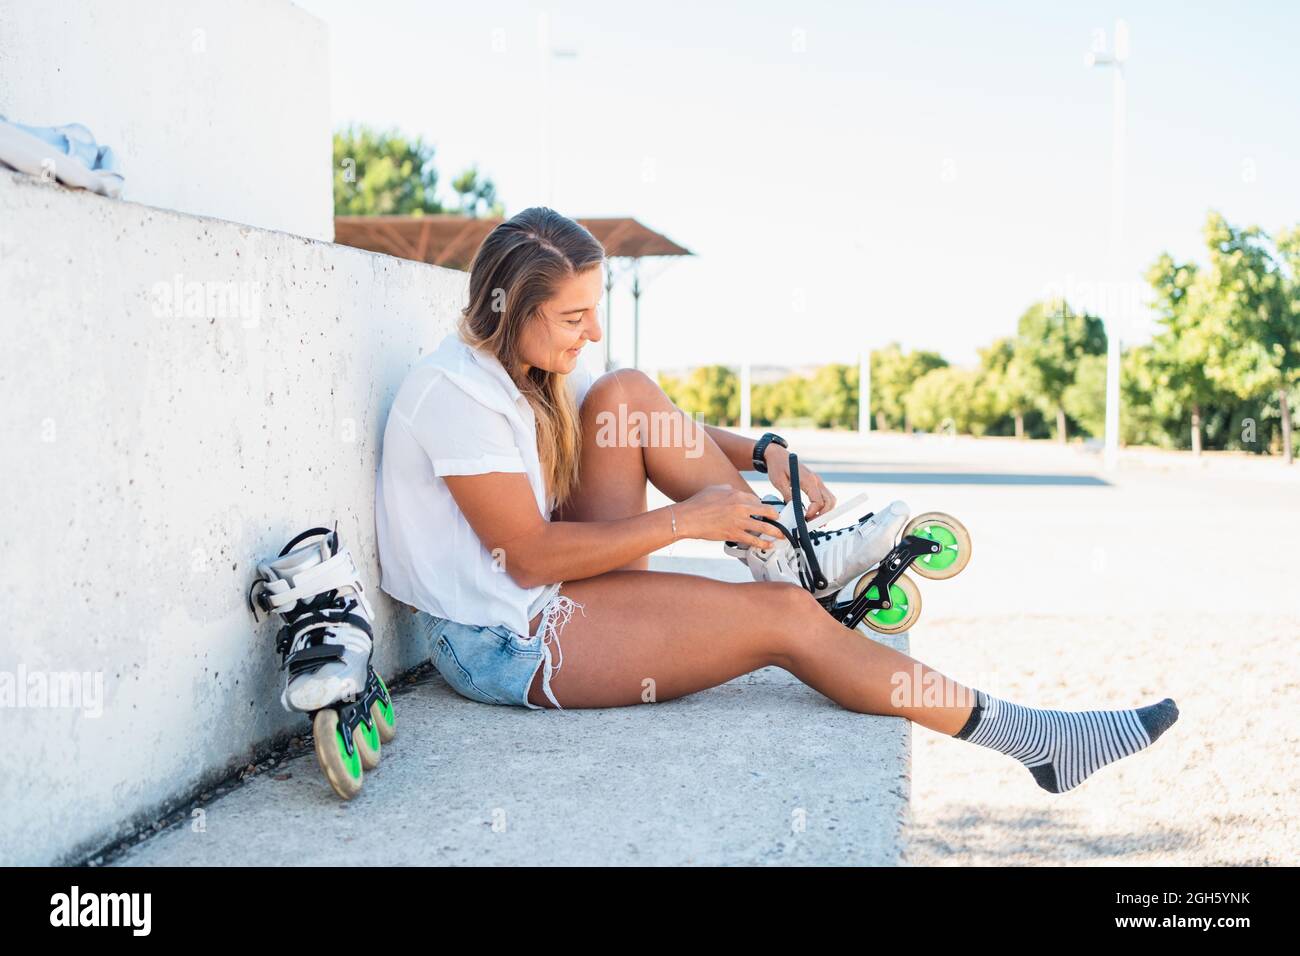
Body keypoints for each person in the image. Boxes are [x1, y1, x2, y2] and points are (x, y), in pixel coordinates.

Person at [374, 207, 1179, 794]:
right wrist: (694, 520)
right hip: (502, 637)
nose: (588, 332)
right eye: (573, 318)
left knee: (622, 392)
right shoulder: (456, 394)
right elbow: (531, 558)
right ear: (509, 309)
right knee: (789, 625)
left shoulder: (531, 364)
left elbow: (658, 423)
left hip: (545, 583)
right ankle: (1034, 739)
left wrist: (762, 452)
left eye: (596, 312)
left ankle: (783, 554)